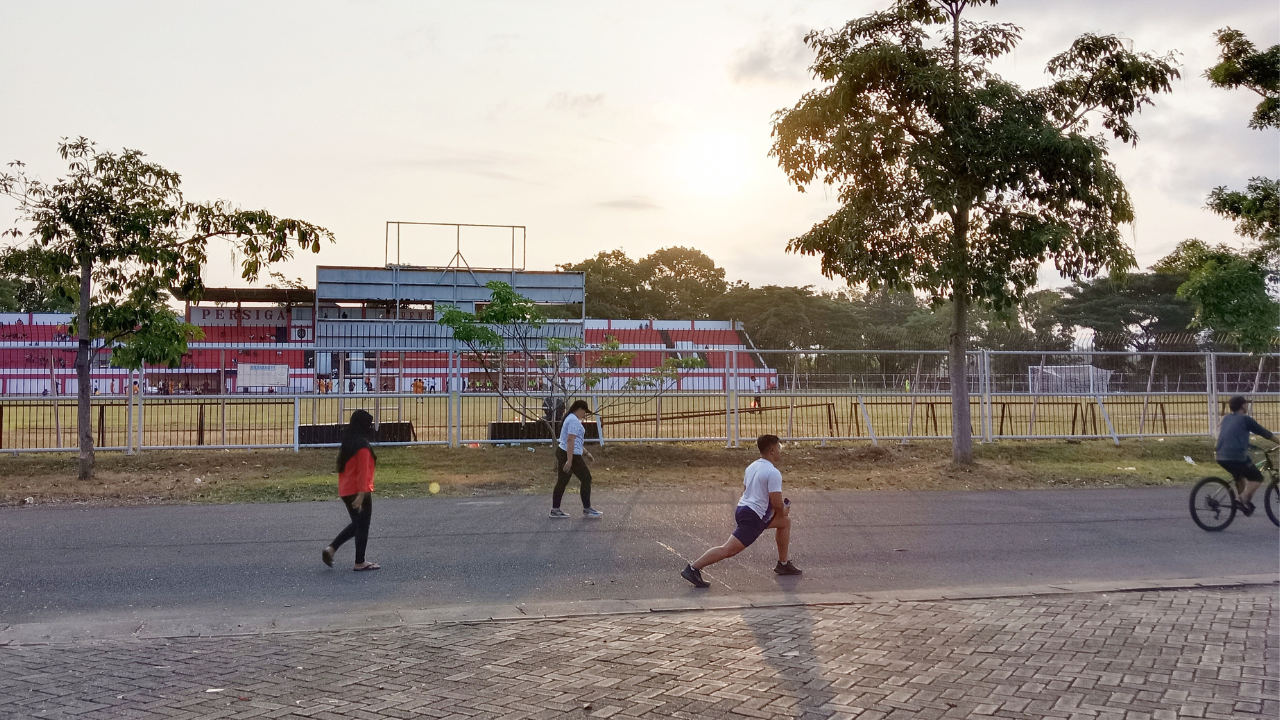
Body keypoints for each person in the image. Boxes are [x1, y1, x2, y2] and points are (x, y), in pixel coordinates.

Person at [682, 434, 801, 587]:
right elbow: (777, 504)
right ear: (772, 450)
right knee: (729, 550)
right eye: (779, 447)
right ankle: (693, 568)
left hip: (743, 509)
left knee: (784, 522)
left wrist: (780, 514)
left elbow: (747, 491)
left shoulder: (752, 467)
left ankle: (783, 564)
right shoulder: (773, 473)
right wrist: (783, 510)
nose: (780, 450)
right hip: (754, 517)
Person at [322, 409, 381, 571]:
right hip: (359, 491)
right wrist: (362, 494)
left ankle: (331, 549)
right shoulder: (362, 446)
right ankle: (359, 561)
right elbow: (364, 471)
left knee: (357, 524)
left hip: (346, 489)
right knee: (362, 525)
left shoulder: (348, 441)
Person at [1217, 395, 1276, 516]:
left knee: (1240, 478)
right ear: (1243, 405)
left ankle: (1244, 503)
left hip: (1219, 455)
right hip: (1236, 456)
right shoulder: (1245, 419)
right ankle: (1240, 500)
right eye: (1246, 404)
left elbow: (1231, 434)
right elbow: (1265, 433)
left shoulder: (1225, 418)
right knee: (1257, 477)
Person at [550, 399, 602, 518]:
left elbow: (576, 441)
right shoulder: (573, 420)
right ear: (579, 409)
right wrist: (570, 460)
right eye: (584, 412)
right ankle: (587, 509)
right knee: (586, 478)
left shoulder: (570, 418)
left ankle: (555, 509)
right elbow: (570, 440)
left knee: (562, 481)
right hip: (570, 454)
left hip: (564, 451)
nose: (585, 415)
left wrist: (586, 453)